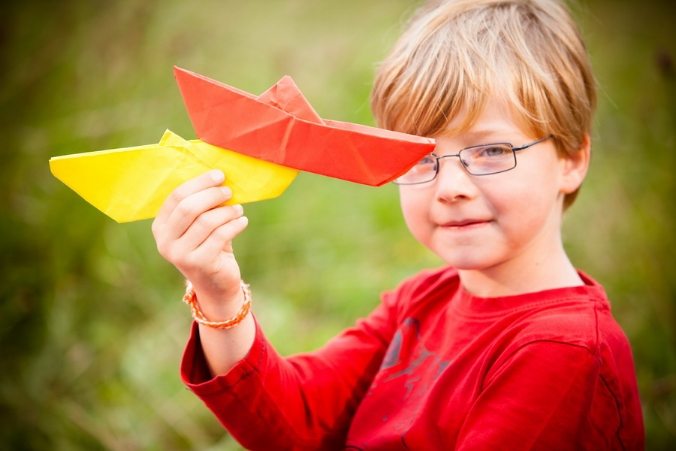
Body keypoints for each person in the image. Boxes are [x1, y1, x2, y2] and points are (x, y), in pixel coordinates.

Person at [151, 0, 644, 449]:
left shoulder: (564, 352)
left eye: (492, 151)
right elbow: (295, 419)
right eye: (419, 156)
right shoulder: (422, 300)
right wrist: (218, 293)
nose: (450, 186)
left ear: (572, 159)